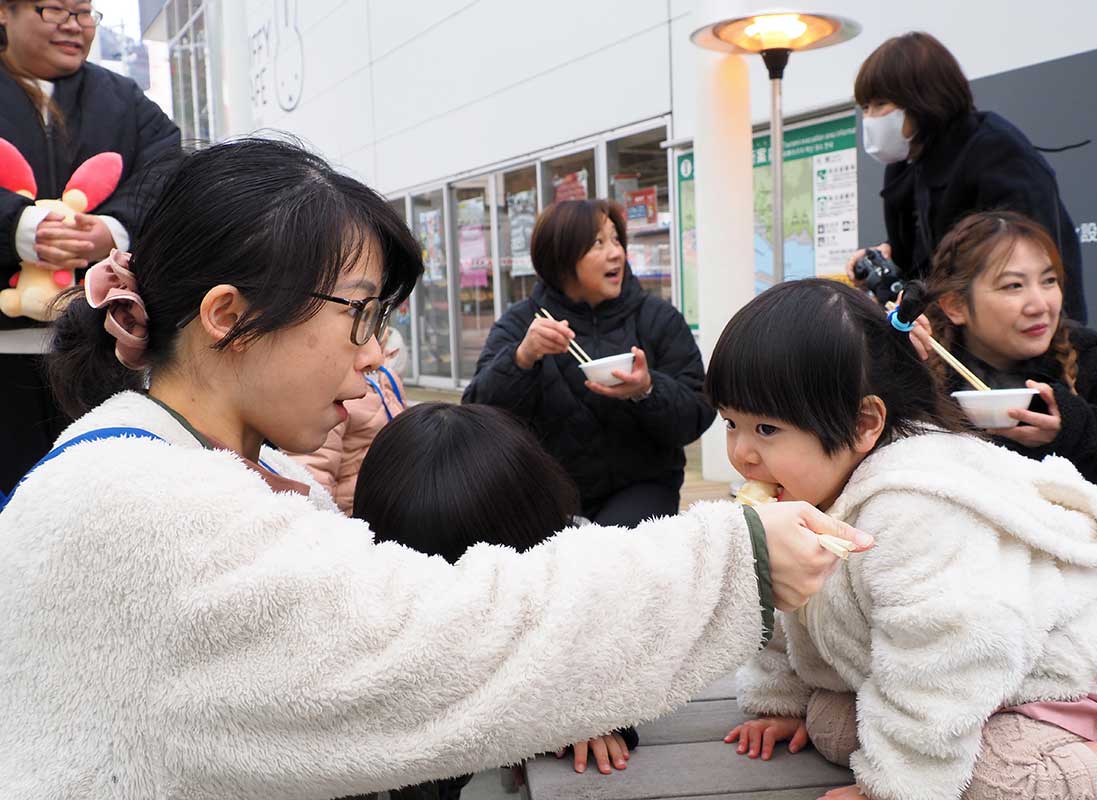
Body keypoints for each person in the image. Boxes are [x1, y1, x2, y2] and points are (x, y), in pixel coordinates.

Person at [0, 139, 872, 799]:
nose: (378, 350)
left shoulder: (172, 466)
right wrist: (739, 559)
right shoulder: (146, 511)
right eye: (359, 313)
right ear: (229, 316)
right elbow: (454, 638)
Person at [707, 279, 1097, 800]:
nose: (742, 453)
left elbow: (948, 652)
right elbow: (785, 607)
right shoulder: (801, 490)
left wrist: (893, 789)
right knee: (832, 726)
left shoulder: (913, 507)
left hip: (1040, 683)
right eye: (730, 423)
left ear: (863, 423)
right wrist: (780, 703)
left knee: (999, 782)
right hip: (942, 680)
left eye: (766, 429)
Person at [353, 402, 636, 798]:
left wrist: (592, 716)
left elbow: (615, 647)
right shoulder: (367, 599)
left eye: (478, 582)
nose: (459, 603)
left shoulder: (572, 566)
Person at [906, 210, 1097, 540]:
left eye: (1049, 281)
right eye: (1013, 286)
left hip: (1085, 585)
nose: (1040, 304)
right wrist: (894, 364)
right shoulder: (926, 374)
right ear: (955, 306)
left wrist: (1079, 431)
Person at [0, 0, 180, 494]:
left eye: (84, 13)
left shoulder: (121, 97)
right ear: (4, 12)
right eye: (54, 8)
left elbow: (167, 170)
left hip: (99, 350)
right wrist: (17, 227)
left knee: (99, 494)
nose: (74, 25)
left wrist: (112, 230)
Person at [462, 199, 713, 527]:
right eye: (598, 243)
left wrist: (647, 389)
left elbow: (698, 411)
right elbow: (478, 415)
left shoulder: (657, 318)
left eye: (616, 239)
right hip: (546, 493)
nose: (616, 253)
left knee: (610, 556)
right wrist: (522, 358)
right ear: (561, 257)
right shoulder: (522, 323)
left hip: (642, 486)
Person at [845, 31, 1086, 323]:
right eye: (865, 108)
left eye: (880, 104)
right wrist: (886, 259)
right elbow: (918, 262)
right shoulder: (906, 164)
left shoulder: (998, 154)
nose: (870, 118)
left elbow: (1029, 266)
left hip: (1024, 336)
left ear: (922, 99)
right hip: (948, 339)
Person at [288, 330, 408, 515]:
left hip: (394, 504)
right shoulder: (335, 393)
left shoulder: (388, 377)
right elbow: (315, 470)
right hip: (355, 514)